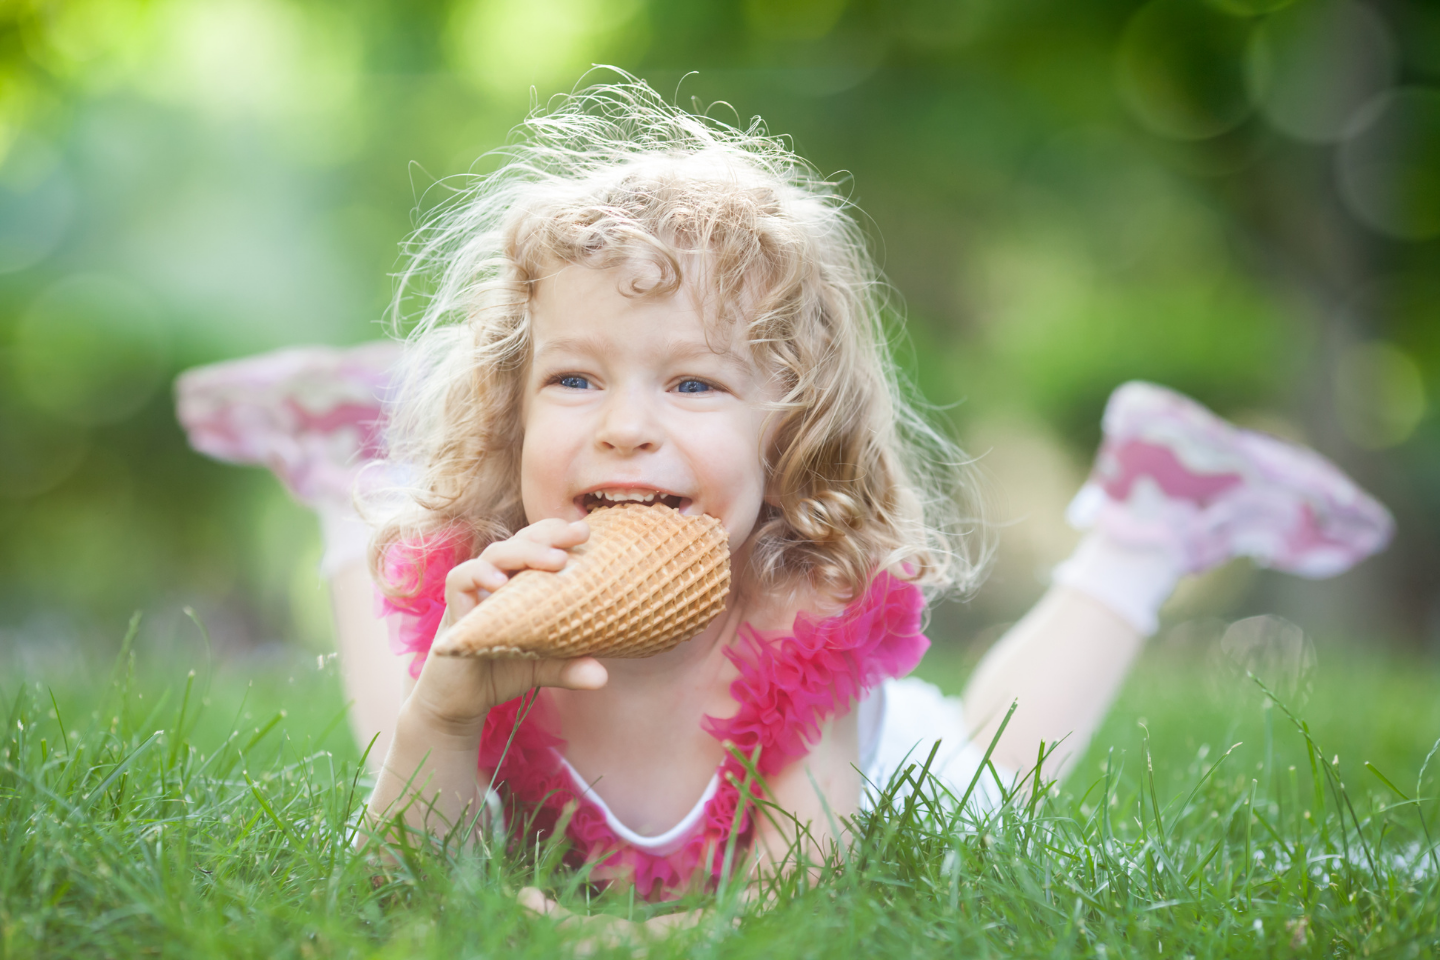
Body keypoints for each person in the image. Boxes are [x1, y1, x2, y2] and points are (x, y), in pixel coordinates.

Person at [174, 79, 1392, 903]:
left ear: (789, 436)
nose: (626, 430)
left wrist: (651, 937)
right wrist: (444, 716)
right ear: (511, 406)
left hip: (884, 752)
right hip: (491, 636)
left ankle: (1145, 519)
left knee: (992, 790)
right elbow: (402, 884)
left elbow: (796, 887)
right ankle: (348, 474)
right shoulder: (497, 589)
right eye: (576, 379)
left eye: (695, 387)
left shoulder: (800, 620)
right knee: (399, 710)